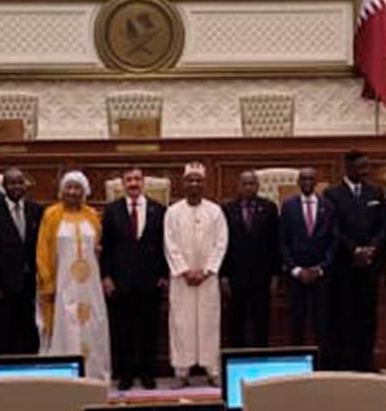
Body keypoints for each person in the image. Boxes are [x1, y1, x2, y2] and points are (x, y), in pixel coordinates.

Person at [37, 172, 110, 381]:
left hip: (91, 289)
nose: (73, 192)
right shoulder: (51, 215)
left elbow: (99, 247)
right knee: (66, 327)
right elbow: (42, 251)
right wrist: (47, 283)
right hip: (63, 286)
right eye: (68, 187)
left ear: (84, 191)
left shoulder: (92, 215)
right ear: (61, 191)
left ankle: (94, 374)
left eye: (77, 187)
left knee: (92, 326)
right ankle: (66, 377)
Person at [102, 167, 167, 390]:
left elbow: (163, 245)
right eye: (128, 179)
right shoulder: (112, 210)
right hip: (121, 281)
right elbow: (107, 247)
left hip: (151, 280)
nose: (133, 183)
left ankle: (147, 372)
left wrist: (163, 274)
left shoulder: (159, 210)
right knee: (123, 330)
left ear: (144, 182)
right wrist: (106, 276)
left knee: (149, 329)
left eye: (137, 179)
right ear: (122, 183)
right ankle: (126, 374)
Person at [165, 163, 226, 386]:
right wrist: (184, 271)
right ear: (183, 183)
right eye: (190, 180)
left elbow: (221, 244)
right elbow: (169, 245)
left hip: (208, 280)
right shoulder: (173, 212)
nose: (194, 184)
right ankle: (182, 372)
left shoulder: (215, 211)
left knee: (209, 323)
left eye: (198, 180)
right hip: (182, 280)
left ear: (204, 184)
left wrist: (207, 270)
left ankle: (212, 370)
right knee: (181, 324)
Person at [328, 151, 386, 372]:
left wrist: (372, 248)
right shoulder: (333, 194)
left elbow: (383, 225)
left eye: (366, 167)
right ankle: (346, 364)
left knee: (368, 317)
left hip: (370, 266)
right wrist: (354, 249)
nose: (365, 171)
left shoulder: (375, 191)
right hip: (344, 266)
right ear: (348, 168)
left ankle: (366, 363)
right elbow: (334, 229)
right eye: (361, 167)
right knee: (345, 316)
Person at [0, 168, 43, 356]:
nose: (16, 186)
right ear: (4, 186)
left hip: (30, 284)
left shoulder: (36, 210)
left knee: (29, 330)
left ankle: (29, 372)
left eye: (19, 182)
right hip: (3, 285)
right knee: (3, 333)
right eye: (11, 183)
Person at [220, 171, 280, 350]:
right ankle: (235, 361)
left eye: (252, 184)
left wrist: (275, 274)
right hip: (235, 277)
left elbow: (275, 243)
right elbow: (222, 245)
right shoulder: (227, 209)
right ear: (238, 186)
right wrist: (223, 275)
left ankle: (260, 360)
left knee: (261, 322)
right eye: (245, 184)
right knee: (235, 323)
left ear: (258, 186)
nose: (248, 187)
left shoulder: (269, 208)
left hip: (262, 277)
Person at [280, 167, 334, 359]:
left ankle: (323, 364)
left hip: (320, 275)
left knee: (322, 323)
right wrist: (295, 269)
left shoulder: (328, 205)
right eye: (303, 179)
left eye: (311, 179)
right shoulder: (288, 206)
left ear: (317, 182)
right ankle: (296, 362)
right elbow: (282, 241)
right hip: (296, 275)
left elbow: (332, 241)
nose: (307, 183)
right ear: (298, 182)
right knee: (297, 321)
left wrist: (321, 268)